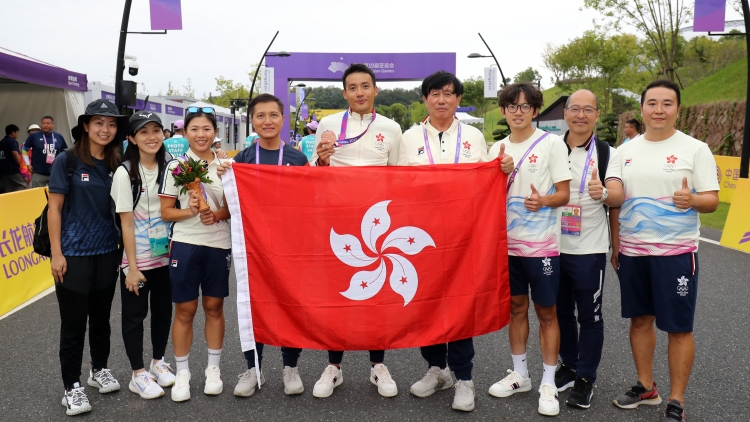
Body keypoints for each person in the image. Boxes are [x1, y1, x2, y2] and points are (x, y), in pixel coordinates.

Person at [399, 71, 514, 412]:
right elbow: (397, 185)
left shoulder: (474, 137)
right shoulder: (409, 138)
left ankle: (464, 377)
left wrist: (504, 168)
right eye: (435, 94)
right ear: (425, 99)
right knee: (428, 304)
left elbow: (488, 184)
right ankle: (436, 369)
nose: (442, 100)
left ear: (458, 100)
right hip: (422, 237)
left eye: (449, 94)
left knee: (461, 305)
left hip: (465, 237)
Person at [610, 80, 719, 422]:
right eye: (652, 103)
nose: (659, 109)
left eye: (667, 103)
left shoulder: (695, 148)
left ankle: (676, 399)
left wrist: (693, 199)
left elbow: (712, 200)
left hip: (675, 254)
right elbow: (615, 197)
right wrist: (615, 239)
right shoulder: (624, 151)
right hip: (633, 253)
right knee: (640, 320)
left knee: (678, 327)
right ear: (641, 108)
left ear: (677, 109)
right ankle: (646, 387)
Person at [309, 63, 403, 399]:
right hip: (338, 220)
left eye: (366, 86)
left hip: (377, 224)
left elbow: (400, 177)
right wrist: (321, 161)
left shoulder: (392, 128)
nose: (360, 92)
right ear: (344, 92)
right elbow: (317, 171)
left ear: (375, 90)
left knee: (376, 294)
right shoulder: (329, 124)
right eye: (353, 87)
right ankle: (334, 366)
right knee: (338, 293)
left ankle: (378, 365)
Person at [486, 83, 572, 417]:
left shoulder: (551, 144)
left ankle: (548, 381)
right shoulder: (498, 148)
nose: (518, 112)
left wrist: (543, 200)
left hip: (542, 246)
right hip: (506, 246)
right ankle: (520, 374)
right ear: (504, 110)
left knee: (546, 312)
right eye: (511, 106)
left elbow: (563, 194)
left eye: (525, 106)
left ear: (535, 111)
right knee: (516, 308)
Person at [218, 94, 308, 398]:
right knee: (252, 305)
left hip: (290, 245)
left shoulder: (297, 158)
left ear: (283, 119)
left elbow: (310, 202)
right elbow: (233, 200)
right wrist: (225, 176)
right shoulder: (242, 159)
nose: (267, 121)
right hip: (253, 246)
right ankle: (253, 368)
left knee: (289, 304)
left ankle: (290, 367)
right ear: (252, 121)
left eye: (273, 115)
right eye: (260, 116)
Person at [48, 99, 127, 416]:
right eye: (99, 123)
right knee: (73, 325)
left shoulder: (116, 163)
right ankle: (72, 387)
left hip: (108, 253)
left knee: (102, 320)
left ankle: (99, 369)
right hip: (73, 255)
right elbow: (54, 208)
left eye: (111, 124)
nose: (105, 129)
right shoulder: (67, 161)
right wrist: (57, 253)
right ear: (85, 125)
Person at [553, 90, 624, 409]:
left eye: (588, 110)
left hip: (590, 249)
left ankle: (586, 378)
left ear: (597, 114)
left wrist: (604, 192)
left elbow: (618, 198)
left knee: (590, 316)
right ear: (565, 113)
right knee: (560, 312)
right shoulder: (550, 147)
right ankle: (568, 365)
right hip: (552, 246)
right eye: (575, 109)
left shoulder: (609, 152)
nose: (580, 115)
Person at [159, 107, 231, 402]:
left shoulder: (227, 167)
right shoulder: (176, 166)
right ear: (185, 133)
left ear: (215, 132)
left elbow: (235, 208)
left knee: (214, 306)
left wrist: (217, 214)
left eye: (207, 129)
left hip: (218, 244)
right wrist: (191, 210)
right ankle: (183, 373)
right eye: (194, 129)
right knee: (185, 310)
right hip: (186, 243)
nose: (201, 135)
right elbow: (165, 212)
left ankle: (213, 370)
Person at [111, 111, 176, 400]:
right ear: (132, 138)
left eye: (156, 131)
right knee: (135, 316)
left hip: (165, 255)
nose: (152, 137)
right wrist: (132, 268)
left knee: (163, 312)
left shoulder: (172, 166)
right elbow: (125, 222)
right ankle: (138, 374)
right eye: (144, 132)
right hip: (137, 260)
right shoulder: (125, 172)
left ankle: (158, 362)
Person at [23, 115, 66, 187]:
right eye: (43, 123)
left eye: (48, 123)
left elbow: (64, 152)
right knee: (38, 195)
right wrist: (28, 164)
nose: (45, 125)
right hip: (38, 173)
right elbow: (24, 149)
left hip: (55, 172)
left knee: (55, 194)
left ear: (53, 125)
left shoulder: (59, 136)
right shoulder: (34, 136)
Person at [0, 124, 26, 193]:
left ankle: (10, 203)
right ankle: (18, 201)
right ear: (13, 132)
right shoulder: (12, 141)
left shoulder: (2, 141)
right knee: (23, 185)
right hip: (13, 170)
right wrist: (21, 165)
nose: (17, 134)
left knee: (8, 189)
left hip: (3, 170)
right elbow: (15, 153)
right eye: (17, 132)